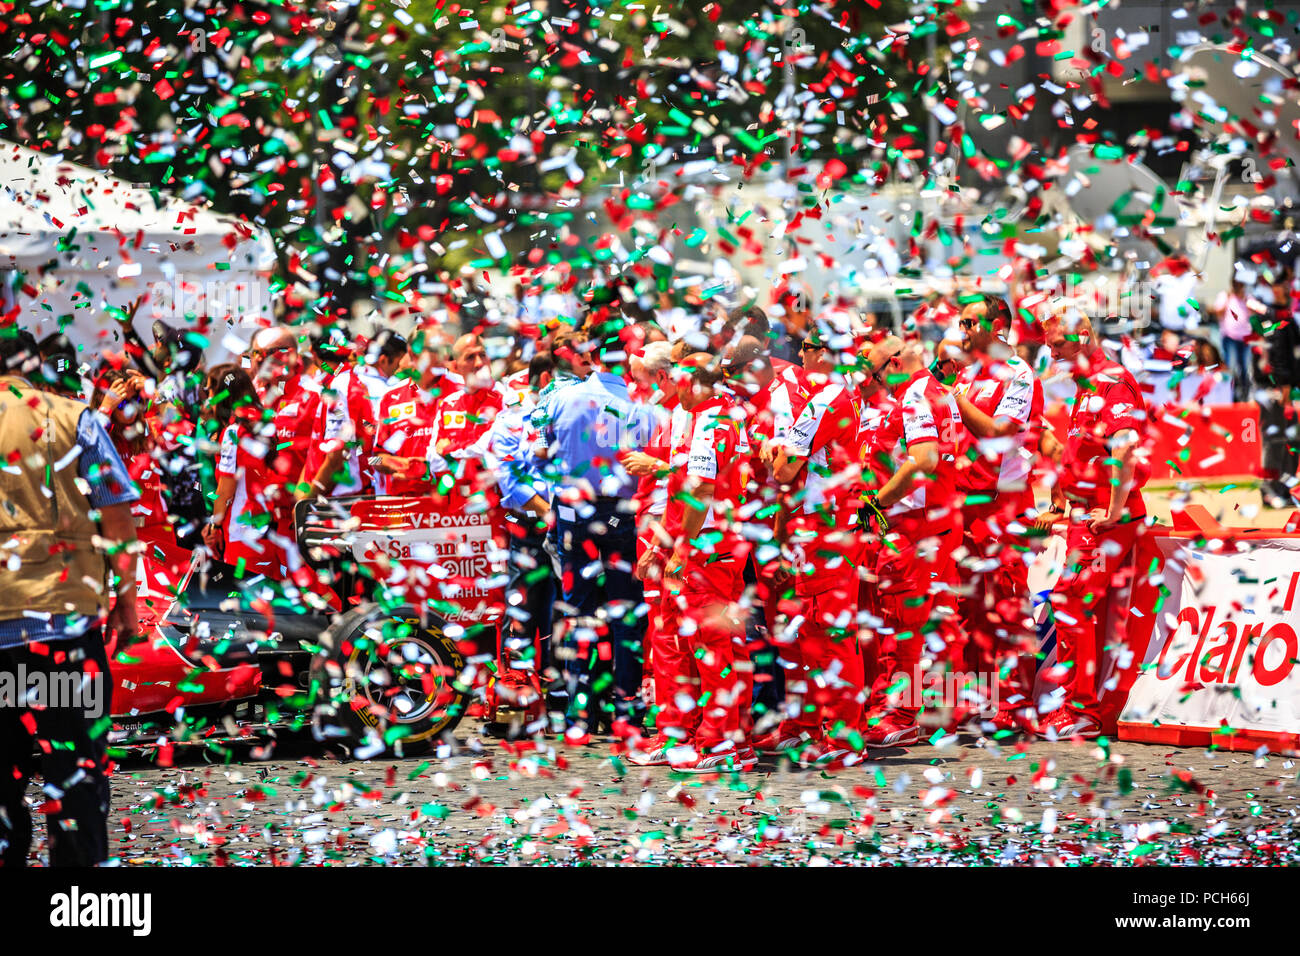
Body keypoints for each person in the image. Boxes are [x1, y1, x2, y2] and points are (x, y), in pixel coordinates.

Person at [0, 327, 140, 867]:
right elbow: (116, 513)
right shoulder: (70, 416)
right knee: (75, 782)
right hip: (62, 633)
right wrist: (126, 604)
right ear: (31, 365)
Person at [542, 317, 659, 741]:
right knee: (627, 615)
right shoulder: (643, 404)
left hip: (576, 513)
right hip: (623, 515)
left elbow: (539, 452)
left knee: (579, 611)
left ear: (590, 354)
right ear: (627, 358)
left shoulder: (562, 398)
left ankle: (579, 715)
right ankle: (626, 711)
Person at [1036, 307, 1150, 738]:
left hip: (1105, 521)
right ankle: (1077, 705)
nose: (1054, 353)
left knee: (1070, 601)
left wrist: (1116, 510)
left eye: (1059, 344)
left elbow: (1126, 448)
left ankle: (1079, 709)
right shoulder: (1088, 385)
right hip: (1088, 515)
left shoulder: (1110, 382)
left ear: (1084, 336)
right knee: (1075, 605)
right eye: (1048, 346)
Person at [648, 353, 757, 772]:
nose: (671, 388)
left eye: (676, 380)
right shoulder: (712, 418)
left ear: (692, 382)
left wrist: (679, 550)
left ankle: (720, 743)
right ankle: (709, 737)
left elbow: (702, 492)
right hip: (706, 544)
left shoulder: (711, 424)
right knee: (696, 644)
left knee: (711, 647)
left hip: (706, 549)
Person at [765, 339, 867, 765]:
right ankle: (820, 730)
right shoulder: (837, 391)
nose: (800, 353)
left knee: (832, 636)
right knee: (810, 632)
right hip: (820, 524)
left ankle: (845, 740)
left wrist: (776, 454)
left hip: (831, 527)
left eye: (807, 346)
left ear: (824, 352)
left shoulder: (826, 397)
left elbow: (785, 468)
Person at [862, 337, 964, 748]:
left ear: (897, 362)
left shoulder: (916, 395)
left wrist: (875, 502)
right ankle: (941, 715)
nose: (876, 381)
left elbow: (924, 460)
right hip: (936, 522)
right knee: (939, 622)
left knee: (905, 623)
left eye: (877, 371)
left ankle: (901, 714)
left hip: (915, 525)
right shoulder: (935, 392)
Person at [950, 294, 1044, 731]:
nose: (962, 331)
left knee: (1007, 602)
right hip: (964, 504)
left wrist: (953, 399)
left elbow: (996, 434)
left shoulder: (1018, 375)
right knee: (968, 608)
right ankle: (974, 701)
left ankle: (1015, 704)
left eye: (970, 323)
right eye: (961, 323)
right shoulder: (968, 375)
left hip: (1003, 503)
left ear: (998, 326)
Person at [485, 350, 557, 727]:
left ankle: (560, 692)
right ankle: (519, 693)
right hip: (528, 525)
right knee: (524, 610)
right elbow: (510, 482)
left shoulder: (566, 413)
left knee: (562, 613)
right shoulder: (509, 421)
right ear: (546, 379)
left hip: (570, 525)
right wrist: (549, 512)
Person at [299, 330, 407, 499]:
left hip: (345, 499)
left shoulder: (346, 385)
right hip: (347, 494)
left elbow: (339, 455)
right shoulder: (342, 384)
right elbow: (321, 448)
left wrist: (307, 498)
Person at [202, 364, 279, 578]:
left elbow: (225, 491)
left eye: (209, 391)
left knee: (246, 607)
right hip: (268, 528)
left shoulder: (233, 433)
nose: (208, 398)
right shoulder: (264, 423)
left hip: (242, 534)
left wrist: (213, 527)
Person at [1211, 275, 1256, 402]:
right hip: (1230, 337)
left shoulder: (1248, 298)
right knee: (1230, 366)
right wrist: (1228, 297)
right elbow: (1218, 312)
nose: (1238, 287)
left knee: (1245, 367)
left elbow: (1255, 313)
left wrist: (1246, 300)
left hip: (1245, 338)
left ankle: (1245, 394)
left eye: (1240, 284)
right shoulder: (1225, 295)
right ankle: (1229, 394)